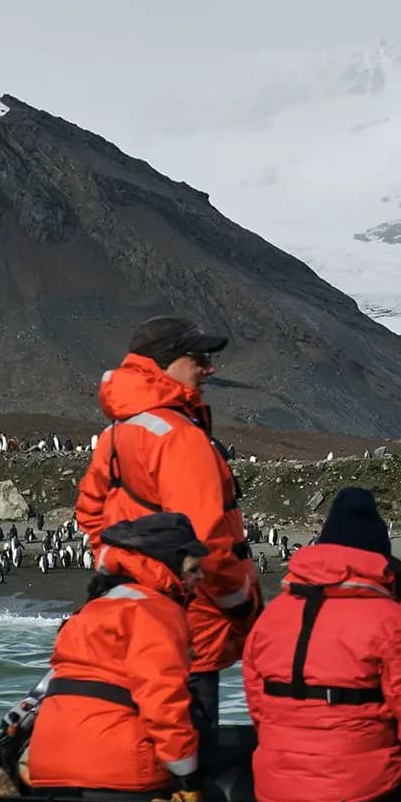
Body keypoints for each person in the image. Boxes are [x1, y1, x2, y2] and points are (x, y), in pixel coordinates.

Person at [75, 317, 262, 748]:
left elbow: (90, 511)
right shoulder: (180, 438)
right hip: (192, 618)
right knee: (191, 728)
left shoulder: (118, 432)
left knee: (144, 720)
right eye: (198, 358)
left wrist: (122, 574)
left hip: (134, 609)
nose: (209, 368)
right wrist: (242, 607)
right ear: (163, 364)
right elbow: (207, 540)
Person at [243, 488, 401, 802]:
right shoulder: (389, 620)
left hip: (274, 785)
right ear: (380, 555)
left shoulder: (272, 615)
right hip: (361, 789)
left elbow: (258, 710)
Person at [25, 514, 210, 800]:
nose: (201, 577)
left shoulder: (92, 608)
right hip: (115, 770)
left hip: (47, 767)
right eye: (194, 569)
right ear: (170, 562)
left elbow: (51, 683)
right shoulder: (157, 611)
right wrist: (189, 778)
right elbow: (163, 700)